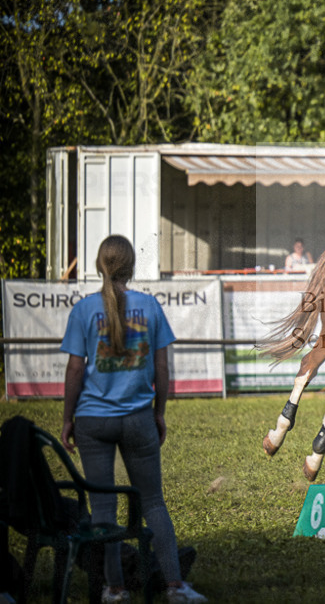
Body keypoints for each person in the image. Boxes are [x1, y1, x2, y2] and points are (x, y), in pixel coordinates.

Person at [60, 235, 206, 604]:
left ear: (98, 266)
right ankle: (175, 586)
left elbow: (75, 371)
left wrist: (67, 419)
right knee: (153, 502)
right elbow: (161, 367)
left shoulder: (83, 310)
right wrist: (159, 413)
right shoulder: (150, 306)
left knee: (103, 509)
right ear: (131, 267)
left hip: (92, 421)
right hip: (138, 418)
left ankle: (114, 589)